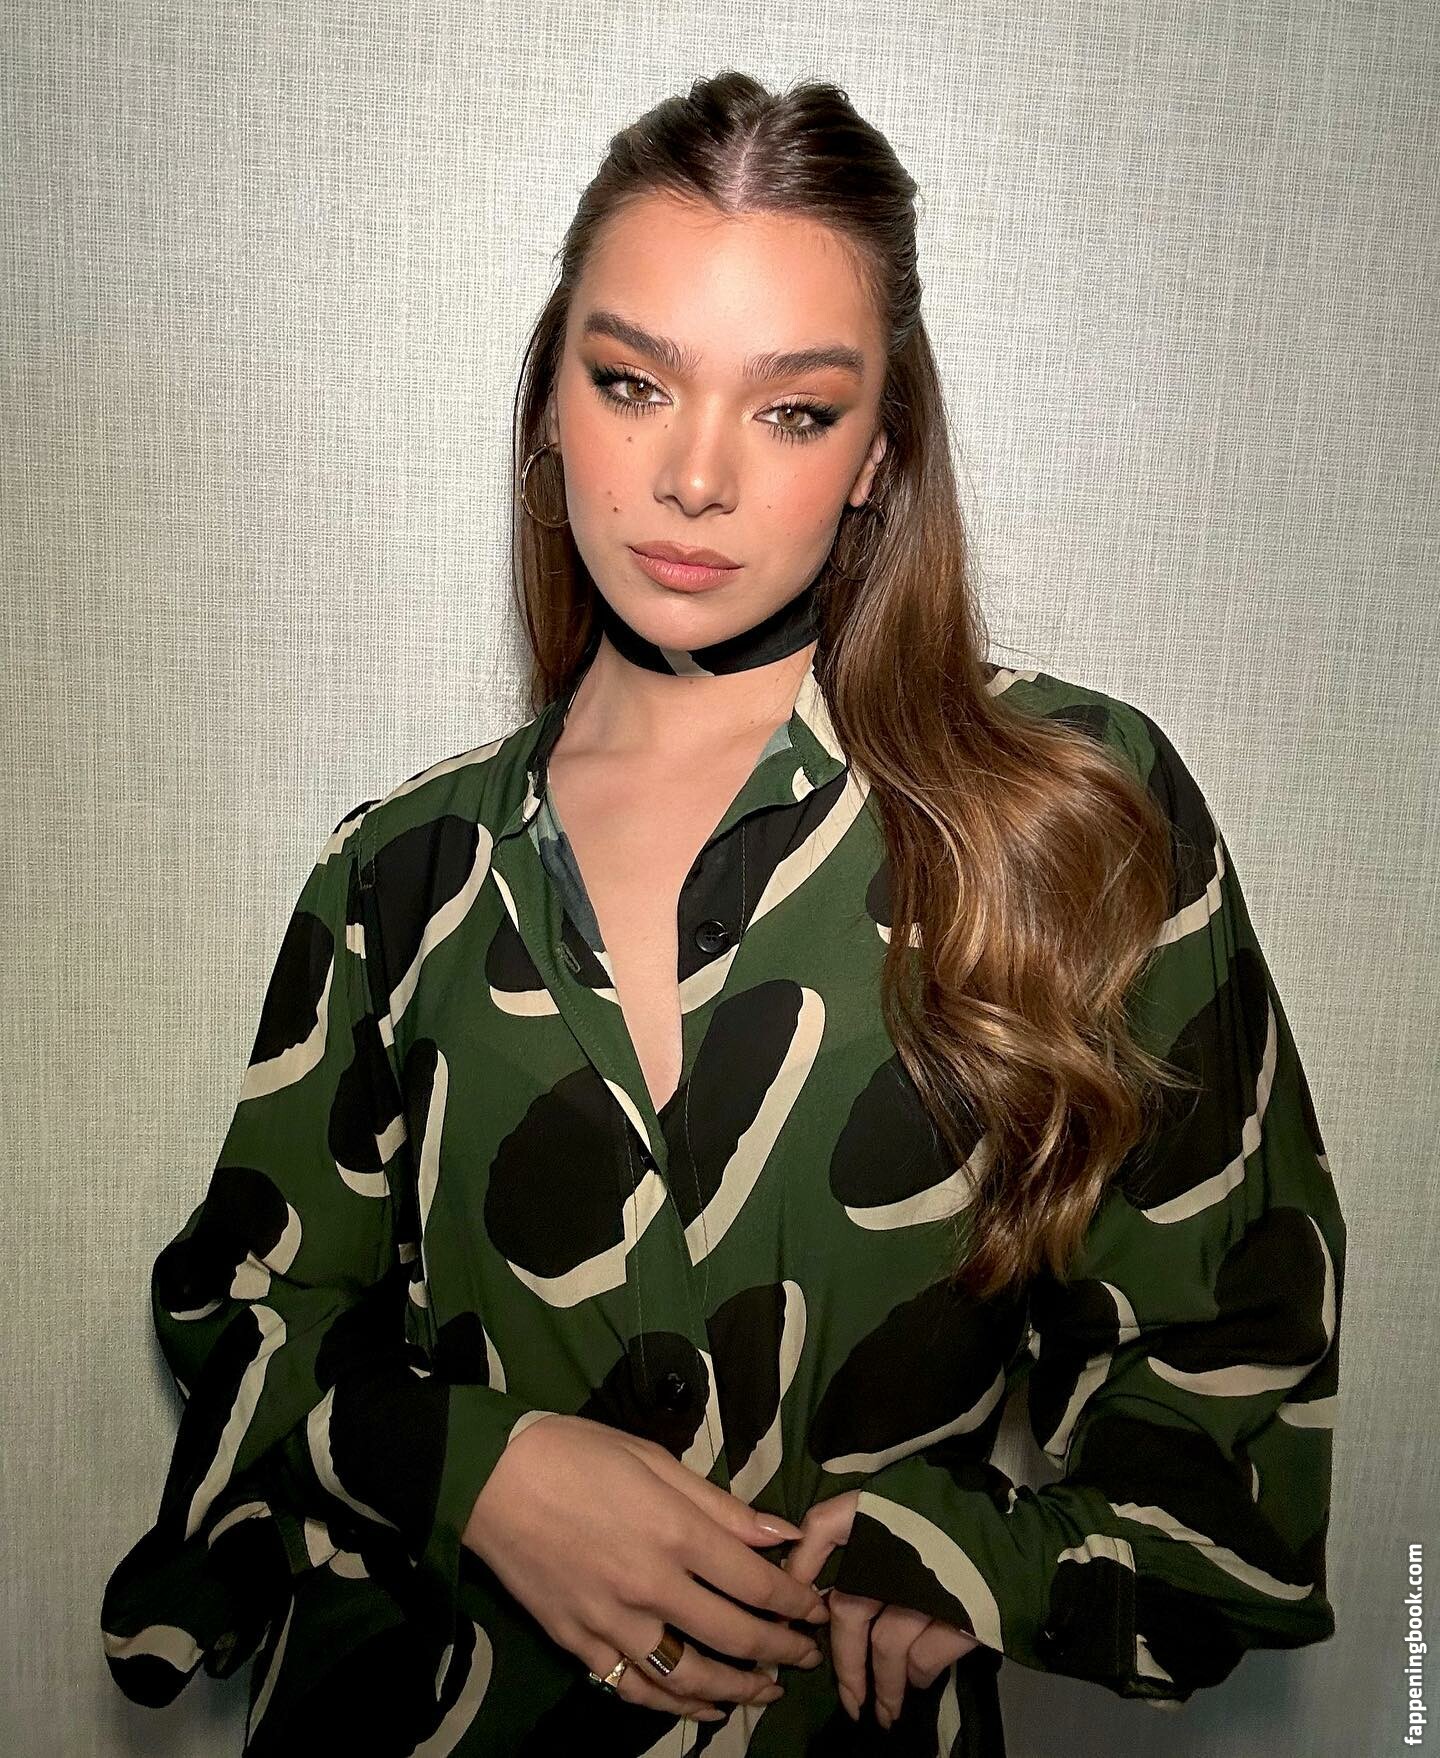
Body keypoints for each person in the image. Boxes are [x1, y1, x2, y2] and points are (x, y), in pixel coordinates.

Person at [100, 70, 1346, 1757]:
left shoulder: (1070, 822)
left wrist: (980, 1555)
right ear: (551, 401)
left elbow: (1238, 1363)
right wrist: (481, 1465)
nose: (693, 476)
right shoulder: (400, 871)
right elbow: (247, 1312)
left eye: (792, 410)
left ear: (878, 451)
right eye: (633, 381)